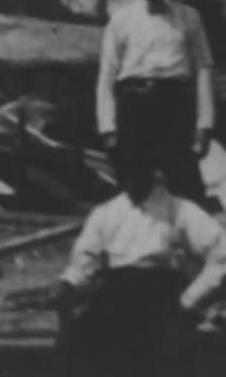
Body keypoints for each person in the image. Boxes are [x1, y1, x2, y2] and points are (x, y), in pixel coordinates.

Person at [51, 154, 226, 377]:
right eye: (125, 173)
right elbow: (84, 262)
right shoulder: (106, 212)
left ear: (154, 173)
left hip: (164, 298)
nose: (132, 181)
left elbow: (222, 253)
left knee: (166, 353)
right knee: (73, 347)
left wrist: (190, 301)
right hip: (116, 296)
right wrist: (67, 283)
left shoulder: (180, 209)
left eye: (140, 173)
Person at [96, 0, 217, 209]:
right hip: (134, 110)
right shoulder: (121, 19)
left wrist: (204, 125)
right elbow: (106, 77)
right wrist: (107, 127)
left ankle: (189, 249)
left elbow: (204, 70)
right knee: (134, 192)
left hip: (175, 109)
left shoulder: (189, 17)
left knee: (186, 190)